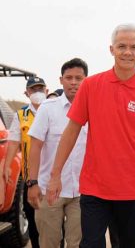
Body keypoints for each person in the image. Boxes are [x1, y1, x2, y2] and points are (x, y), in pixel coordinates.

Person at [45, 23, 135, 248]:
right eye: (121, 46)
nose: (127, 51)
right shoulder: (91, 85)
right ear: (111, 49)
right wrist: (55, 175)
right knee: (91, 244)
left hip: (133, 191)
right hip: (95, 188)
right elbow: (71, 132)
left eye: (134, 47)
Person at [27, 58, 88, 248]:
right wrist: (33, 183)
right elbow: (35, 146)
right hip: (49, 190)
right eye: (69, 77)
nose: (73, 82)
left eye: (79, 78)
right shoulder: (47, 109)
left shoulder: (93, 108)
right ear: (61, 80)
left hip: (82, 191)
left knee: (77, 243)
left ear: (86, 80)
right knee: (49, 242)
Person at [3, 76, 48, 248]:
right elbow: (14, 141)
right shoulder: (21, 115)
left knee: (54, 225)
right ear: (27, 93)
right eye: (33, 90)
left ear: (46, 91)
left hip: (53, 177)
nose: (37, 93)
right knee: (34, 224)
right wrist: (7, 166)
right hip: (32, 179)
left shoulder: (54, 111)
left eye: (40, 89)